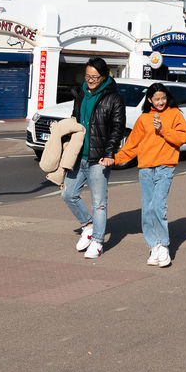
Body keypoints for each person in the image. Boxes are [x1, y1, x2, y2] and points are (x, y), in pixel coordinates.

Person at [114, 82, 186, 268]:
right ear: (150, 100)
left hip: (165, 167)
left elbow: (183, 136)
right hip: (146, 169)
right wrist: (114, 159)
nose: (161, 102)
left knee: (158, 206)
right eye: (157, 99)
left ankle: (164, 246)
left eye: (163, 98)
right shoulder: (143, 119)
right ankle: (153, 246)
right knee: (147, 210)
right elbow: (132, 145)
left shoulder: (174, 114)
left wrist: (163, 129)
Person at [62, 57, 126, 259]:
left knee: (99, 202)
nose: (90, 80)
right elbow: (75, 119)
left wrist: (109, 154)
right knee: (68, 194)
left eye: (95, 77)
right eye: (87, 76)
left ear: (105, 76)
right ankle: (88, 225)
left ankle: (98, 241)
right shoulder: (81, 93)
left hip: (99, 158)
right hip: (78, 155)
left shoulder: (114, 98)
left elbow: (118, 129)